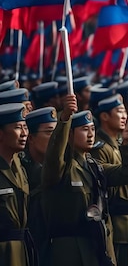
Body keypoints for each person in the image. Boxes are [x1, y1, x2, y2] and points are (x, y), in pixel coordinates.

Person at [42, 94, 128, 266]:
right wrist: (64, 119)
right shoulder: (62, 168)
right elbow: (54, 156)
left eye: (92, 129)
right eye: (84, 130)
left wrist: (127, 145)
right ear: (70, 135)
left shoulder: (95, 167)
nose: (90, 134)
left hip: (97, 245)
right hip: (70, 249)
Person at [90, 94, 128, 266]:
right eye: (119, 112)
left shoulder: (119, 143)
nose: (124, 116)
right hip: (120, 222)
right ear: (105, 116)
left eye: (124, 111)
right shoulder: (100, 148)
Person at [0, 103, 34, 266]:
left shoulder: (20, 168)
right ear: (1, 134)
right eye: (17, 128)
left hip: (22, 251)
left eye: (25, 128)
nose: (24, 134)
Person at [22, 106, 57, 257]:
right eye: (49, 132)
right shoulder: (24, 171)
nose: (56, 138)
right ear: (31, 137)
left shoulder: (61, 169)